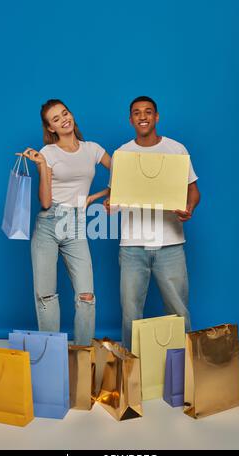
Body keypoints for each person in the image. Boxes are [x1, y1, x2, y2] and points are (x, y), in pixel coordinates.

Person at [104, 96, 200, 350]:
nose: (143, 116)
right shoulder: (122, 154)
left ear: (157, 117)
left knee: (178, 311)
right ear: (130, 119)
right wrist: (109, 205)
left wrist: (189, 208)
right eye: (137, 113)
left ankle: (183, 374)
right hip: (132, 246)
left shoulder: (176, 149)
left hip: (170, 244)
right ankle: (133, 376)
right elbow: (114, 196)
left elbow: (193, 191)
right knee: (130, 315)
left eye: (148, 112)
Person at [17, 99, 111, 345]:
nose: (63, 119)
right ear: (51, 129)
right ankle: (50, 357)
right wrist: (42, 166)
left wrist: (98, 196)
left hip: (77, 223)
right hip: (49, 223)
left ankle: (82, 357)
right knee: (46, 296)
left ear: (71, 114)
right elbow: (46, 201)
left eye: (65, 113)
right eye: (56, 119)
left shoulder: (93, 149)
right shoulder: (47, 153)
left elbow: (124, 173)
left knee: (87, 296)